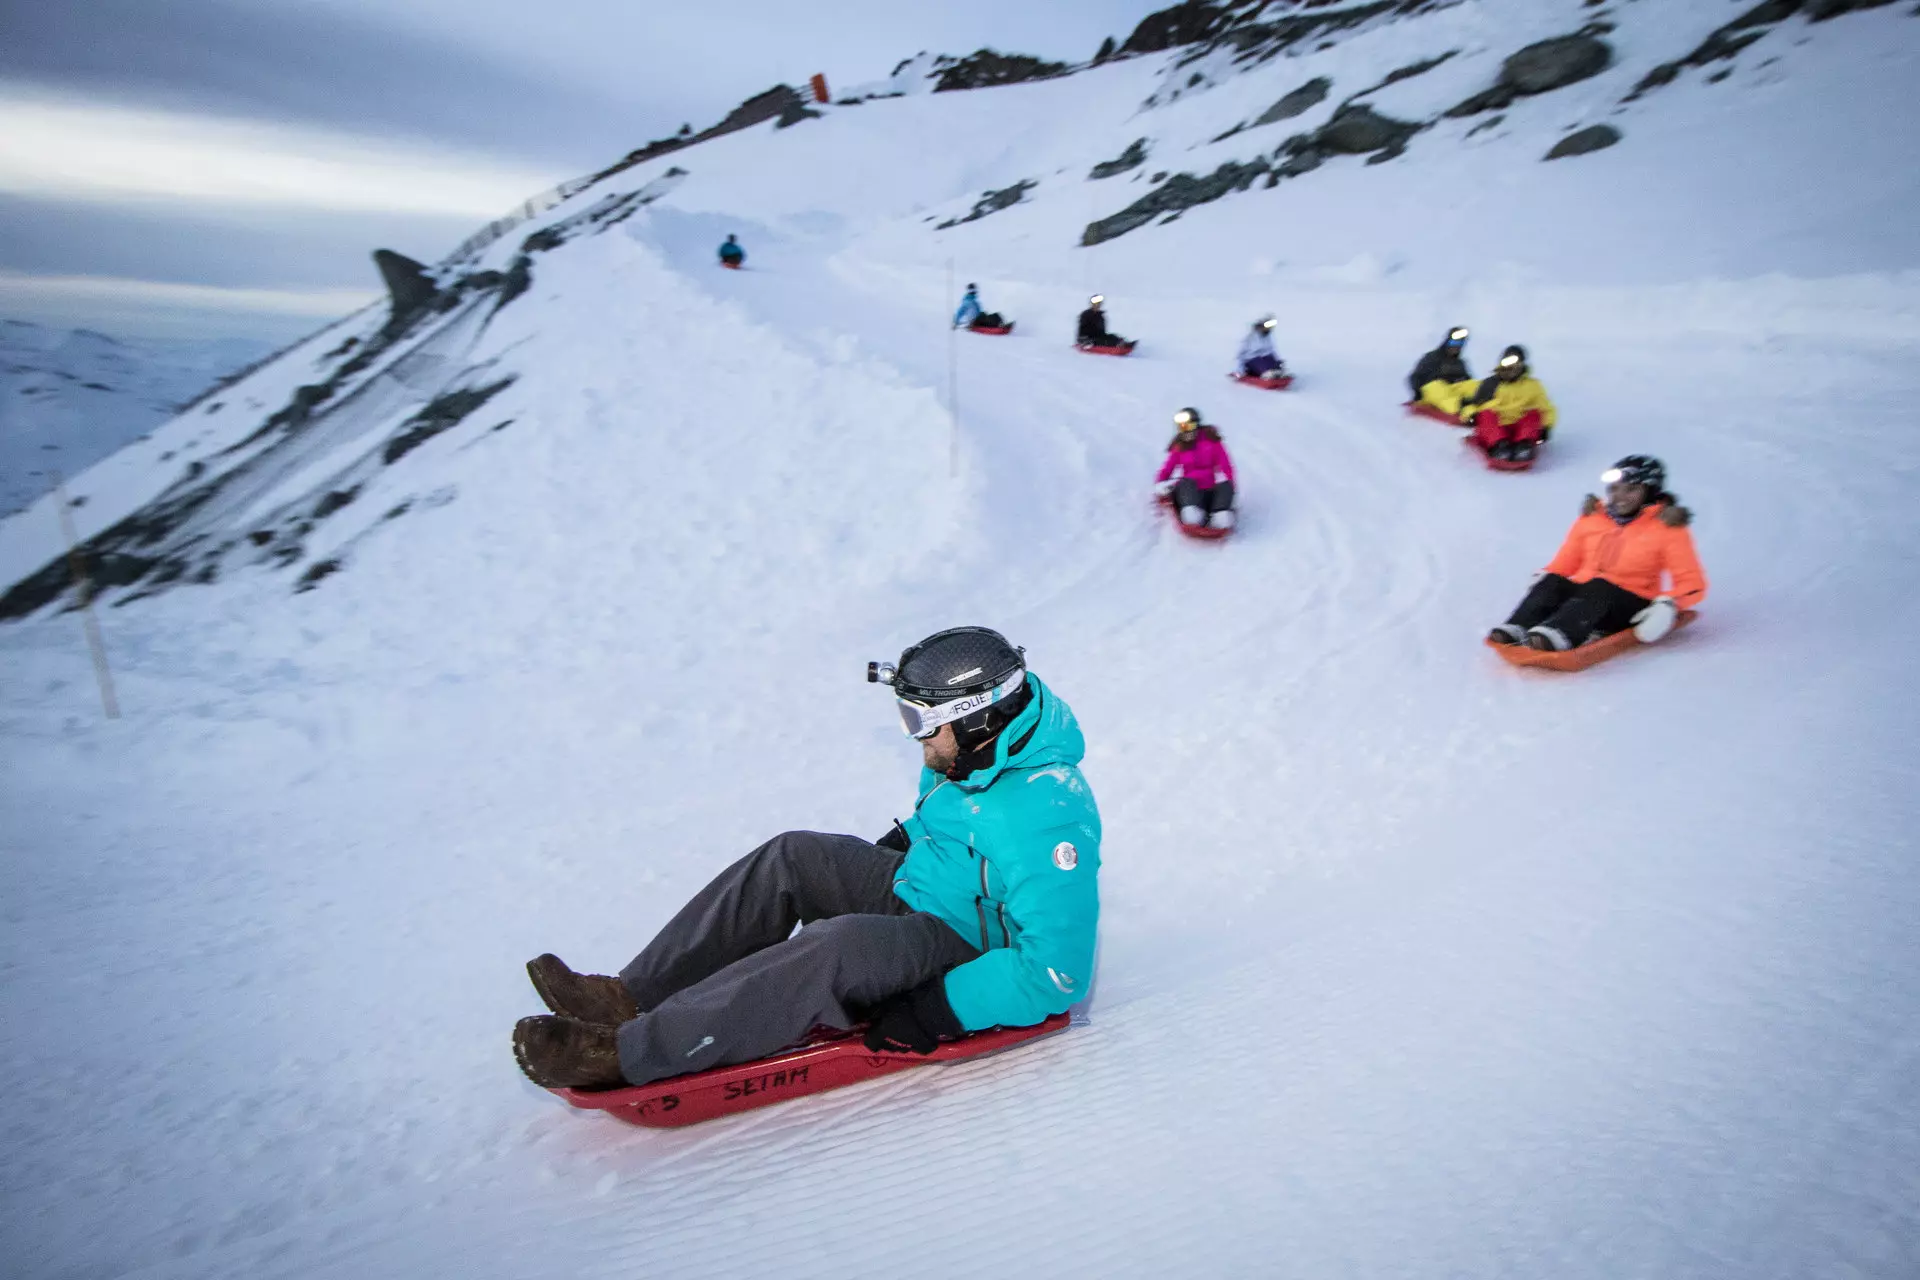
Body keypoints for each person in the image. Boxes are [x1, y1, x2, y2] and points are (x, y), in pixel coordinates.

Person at [512, 627, 1102, 1090]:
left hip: (967, 946)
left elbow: (1057, 972)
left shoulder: (1048, 815)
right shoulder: (976, 755)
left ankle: (629, 1053)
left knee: (836, 947)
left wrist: (941, 1007)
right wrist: (904, 840)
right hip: (923, 887)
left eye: (922, 722)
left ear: (978, 717)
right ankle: (629, 997)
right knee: (794, 855)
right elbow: (952, 819)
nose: (914, 738)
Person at [1488, 456, 1707, 652]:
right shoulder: (1592, 519)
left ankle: (1559, 634)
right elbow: (1564, 564)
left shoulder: (1667, 527)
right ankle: (1518, 627)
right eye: (1614, 489)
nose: (1619, 496)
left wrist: (1668, 605)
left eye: (1630, 489)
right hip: (1584, 600)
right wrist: (1543, 580)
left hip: (1631, 605)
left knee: (1600, 586)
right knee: (1554, 581)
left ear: (1649, 492)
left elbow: (1692, 582)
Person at [1458, 344, 1556, 461]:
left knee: (1534, 414)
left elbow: (1546, 408)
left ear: (1522, 366)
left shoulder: (1533, 385)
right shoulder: (1491, 384)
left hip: (1519, 426)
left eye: (1516, 365)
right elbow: (1472, 405)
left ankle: (1524, 445)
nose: (1511, 369)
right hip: (1497, 426)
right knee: (1486, 414)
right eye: (1508, 364)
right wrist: (1471, 415)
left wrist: (1546, 427)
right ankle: (1499, 446)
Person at [1153, 407, 1236, 530]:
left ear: (1197, 426)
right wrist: (1160, 485)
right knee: (1186, 482)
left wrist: (1230, 486)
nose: (1186, 431)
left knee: (1226, 485)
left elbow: (1226, 465)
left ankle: (1220, 514)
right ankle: (1193, 512)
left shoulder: (1212, 441)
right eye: (1182, 428)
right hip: (1190, 492)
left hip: (1209, 492)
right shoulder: (1180, 446)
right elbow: (1168, 468)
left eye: (1189, 427)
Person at [1408, 326, 1472, 406]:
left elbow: (1469, 382)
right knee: (1436, 387)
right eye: (1454, 343)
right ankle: (1458, 405)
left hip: (1454, 393)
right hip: (1435, 395)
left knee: (1472, 385)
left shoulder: (1460, 363)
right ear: (1447, 342)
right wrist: (1418, 393)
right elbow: (1415, 377)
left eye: (1460, 343)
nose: (1456, 346)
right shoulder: (1432, 358)